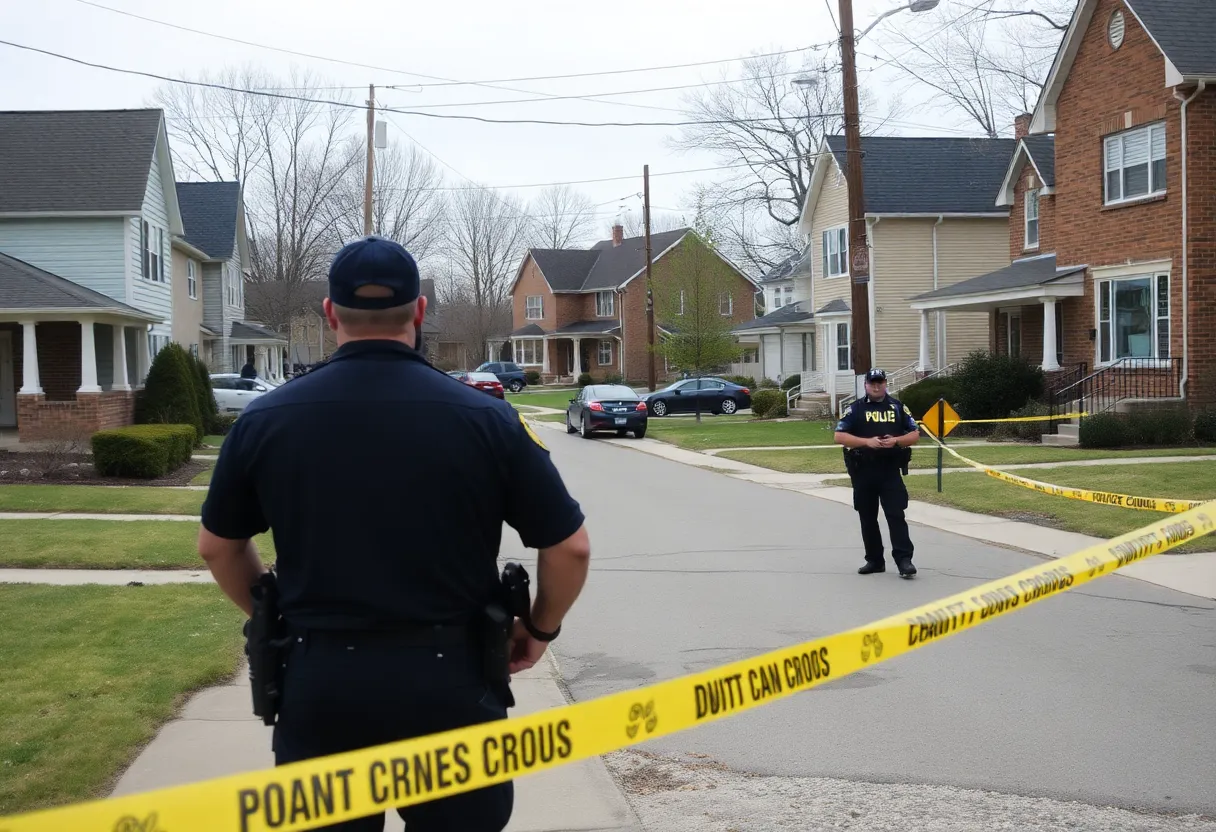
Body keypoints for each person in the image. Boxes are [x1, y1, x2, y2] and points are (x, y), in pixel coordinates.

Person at [197, 235, 591, 832]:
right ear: (420, 311)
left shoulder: (265, 420)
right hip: (452, 686)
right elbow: (570, 546)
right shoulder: (486, 418)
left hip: (322, 685)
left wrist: (271, 616)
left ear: (330, 313)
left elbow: (219, 546)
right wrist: (537, 628)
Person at [833, 368, 920, 578]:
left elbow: (915, 433)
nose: (876, 386)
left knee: (896, 515)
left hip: (889, 469)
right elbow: (839, 436)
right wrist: (867, 442)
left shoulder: (897, 407)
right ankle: (874, 560)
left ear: (885, 384)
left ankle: (904, 561)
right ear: (866, 385)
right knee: (867, 517)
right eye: (872, 382)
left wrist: (896, 441)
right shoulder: (855, 409)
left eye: (880, 382)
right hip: (863, 470)